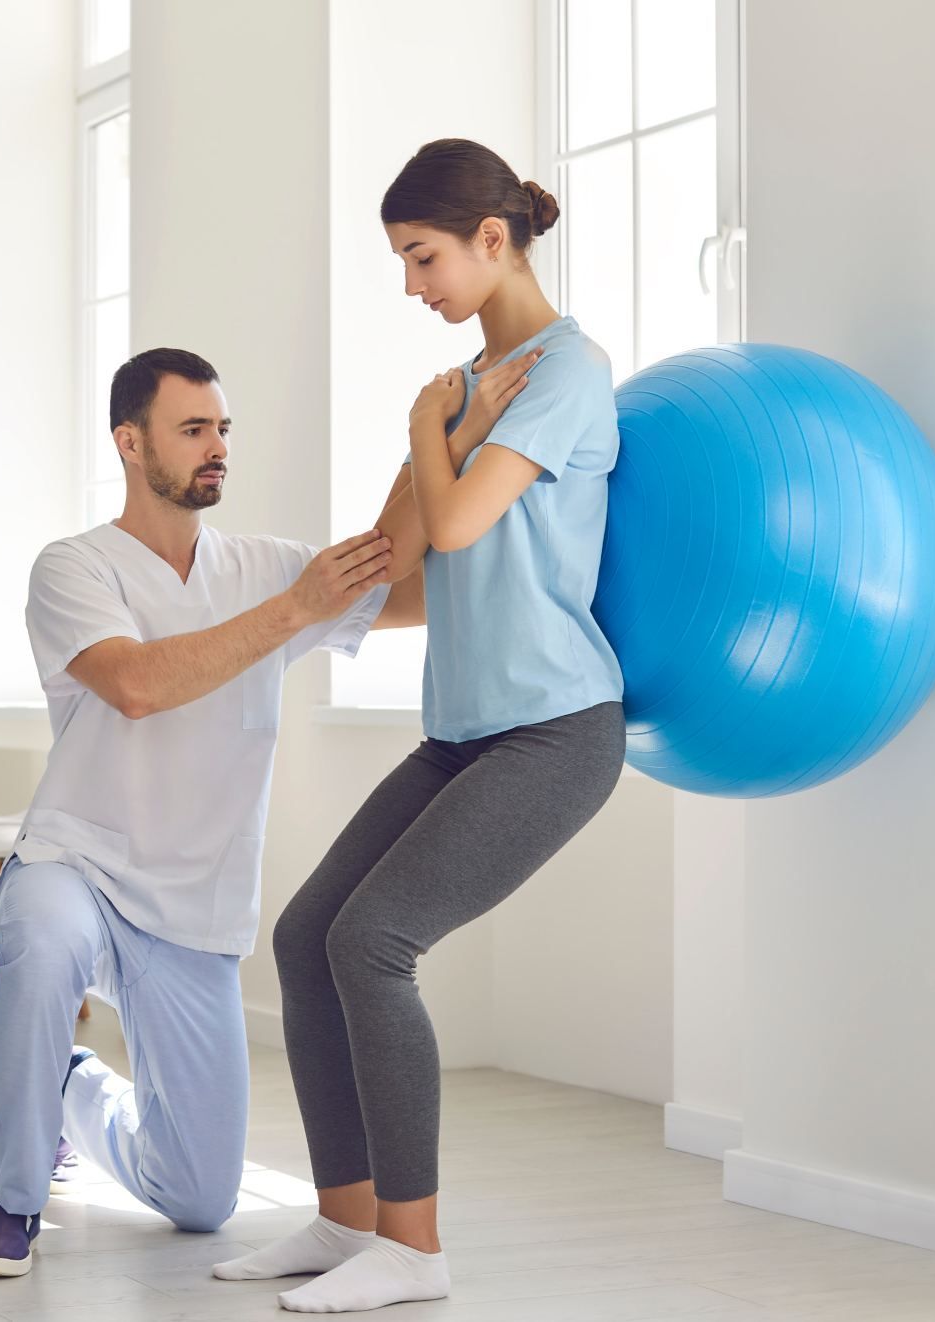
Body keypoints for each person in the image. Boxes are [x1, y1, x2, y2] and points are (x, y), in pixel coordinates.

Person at [212, 138, 627, 1312]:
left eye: (423, 256)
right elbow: (399, 548)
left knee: (373, 941)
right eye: (403, 260)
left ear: (493, 240)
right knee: (306, 935)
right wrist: (438, 421)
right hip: (464, 731)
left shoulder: (568, 371)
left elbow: (454, 530)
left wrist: (425, 426)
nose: (414, 285)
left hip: (556, 729)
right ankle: (347, 1223)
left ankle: (416, 1244)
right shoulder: (467, 387)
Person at [0, 346, 454, 1277]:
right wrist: (295, 609)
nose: (217, 446)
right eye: (194, 429)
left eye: (223, 428)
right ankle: (14, 1202)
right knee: (40, 940)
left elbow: (401, 582)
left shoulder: (266, 565)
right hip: (81, 861)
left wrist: (431, 444)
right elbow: (138, 685)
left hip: (194, 904)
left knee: (201, 1200)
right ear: (130, 442)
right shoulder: (72, 568)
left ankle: (70, 1089)